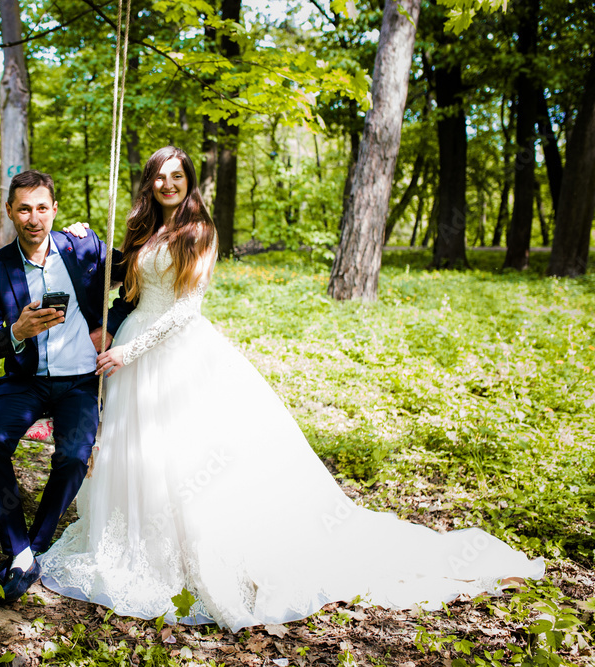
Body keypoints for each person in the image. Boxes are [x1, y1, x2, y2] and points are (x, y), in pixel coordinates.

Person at [40, 147, 545, 631]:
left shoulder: (200, 231)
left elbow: (186, 309)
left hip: (170, 349)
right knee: (142, 453)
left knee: (189, 457)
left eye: (178, 176)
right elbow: (115, 278)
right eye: (159, 176)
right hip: (132, 352)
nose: (168, 184)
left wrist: (130, 350)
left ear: (189, 181)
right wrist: (80, 238)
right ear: (149, 182)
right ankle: (142, 544)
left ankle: (204, 552)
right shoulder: (144, 228)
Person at [0, 169, 132, 604]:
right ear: (10, 212)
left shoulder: (82, 247)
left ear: (54, 210)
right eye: (23, 209)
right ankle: (17, 547)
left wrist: (109, 327)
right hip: (25, 380)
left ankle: (36, 543)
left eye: (41, 208)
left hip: (80, 380)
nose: (33, 218)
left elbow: (137, 277)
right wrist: (17, 331)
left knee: (73, 458)